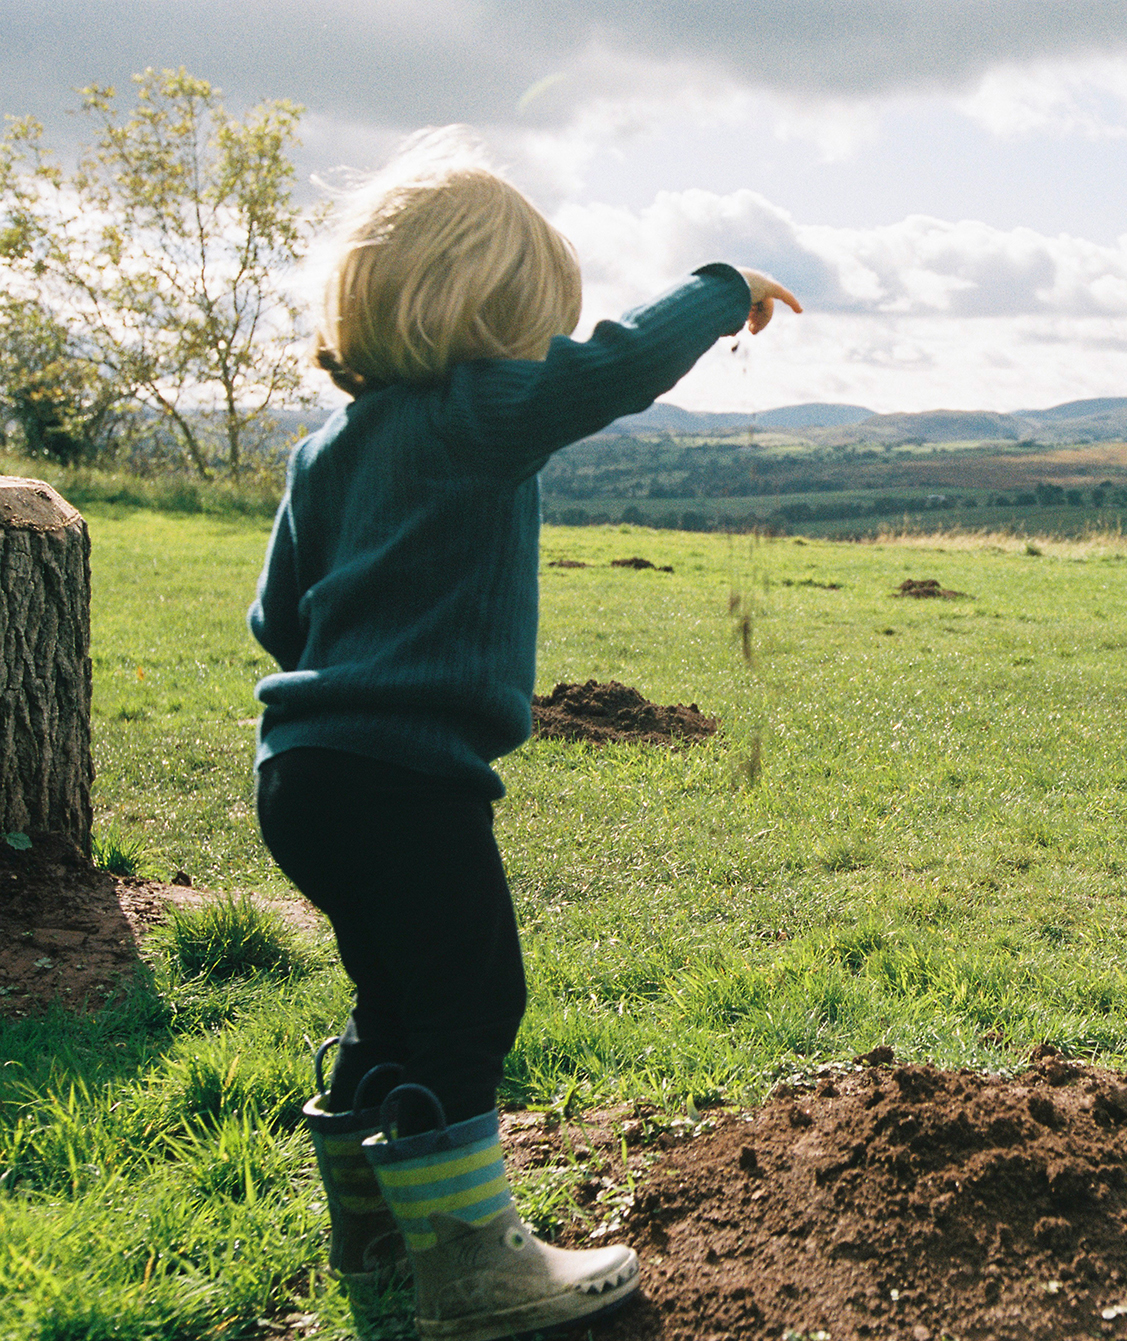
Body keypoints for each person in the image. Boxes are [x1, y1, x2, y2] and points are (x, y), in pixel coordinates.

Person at [250, 129, 799, 1340]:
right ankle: (472, 1268)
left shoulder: (323, 449)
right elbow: (608, 371)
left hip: (302, 774)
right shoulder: (479, 410)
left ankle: (375, 1225)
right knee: (468, 1001)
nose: (544, 347)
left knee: (393, 997)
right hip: (408, 780)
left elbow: (276, 619)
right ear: (491, 316)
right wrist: (726, 290)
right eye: (534, 321)